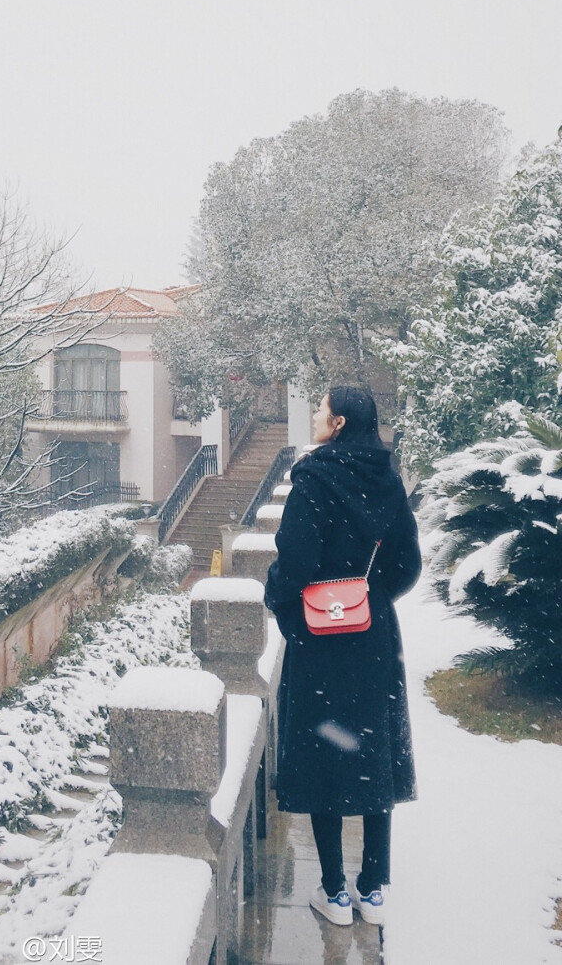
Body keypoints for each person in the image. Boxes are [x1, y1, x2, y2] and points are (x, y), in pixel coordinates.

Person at [264, 384, 421, 929]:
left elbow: (296, 561)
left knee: (325, 749)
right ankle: (373, 889)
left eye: (320, 408)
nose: (314, 414)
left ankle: (333, 892)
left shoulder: (313, 479)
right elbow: (408, 563)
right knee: (372, 748)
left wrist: (285, 607)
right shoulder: (387, 478)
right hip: (373, 638)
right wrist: (370, 600)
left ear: (336, 424)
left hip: (320, 639)